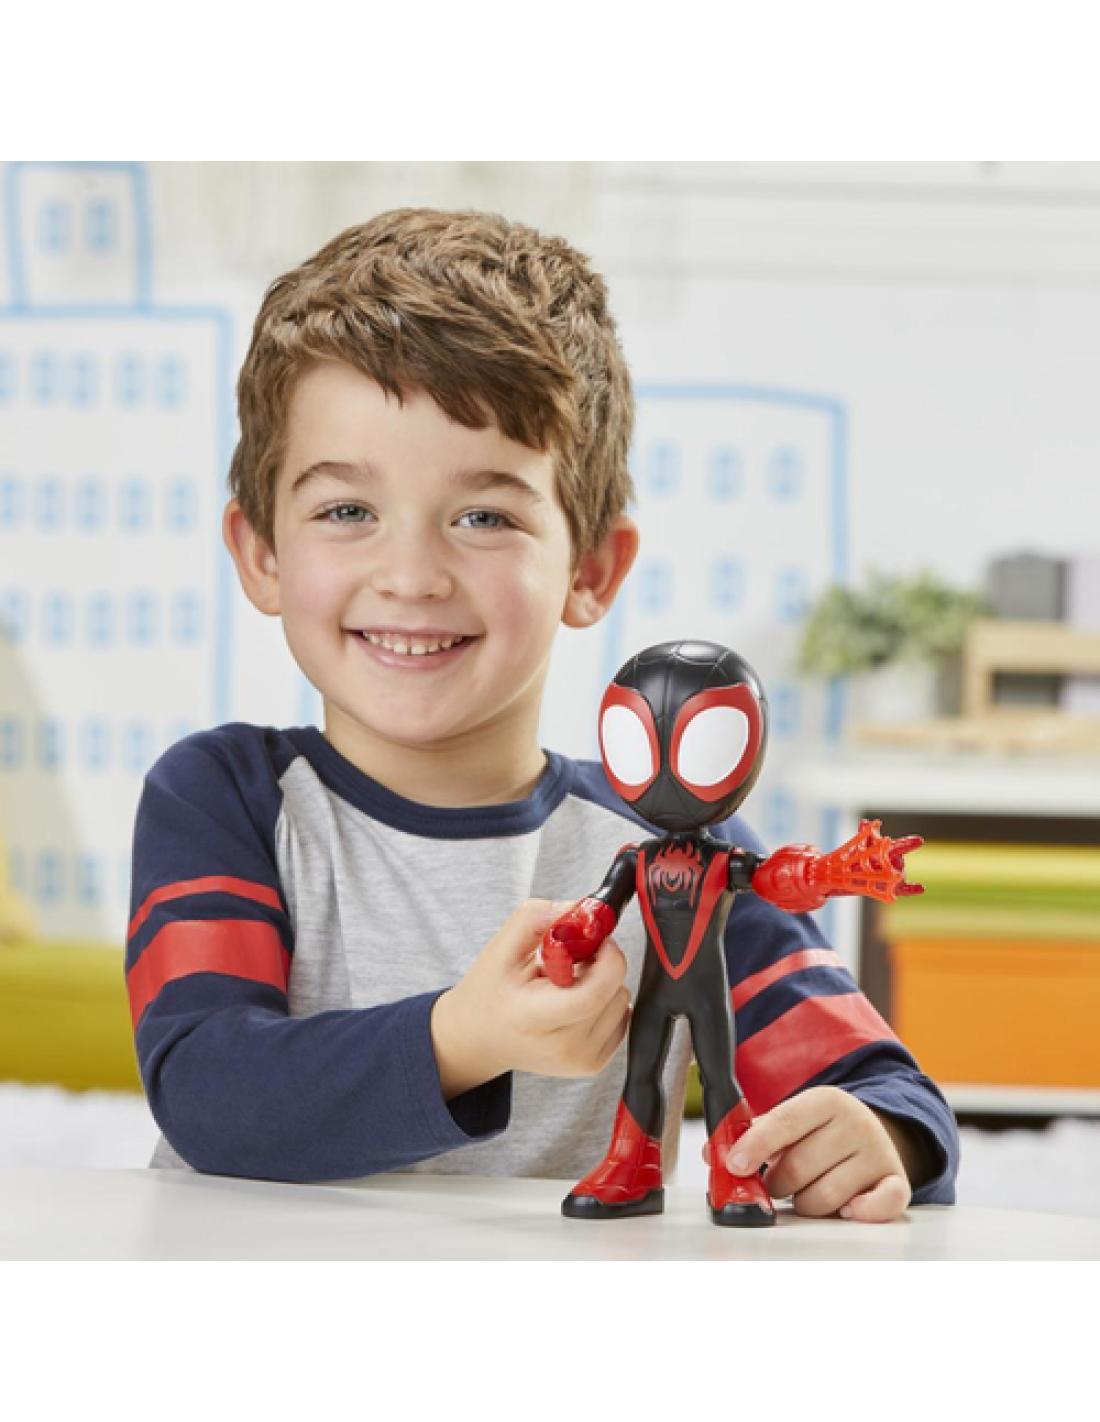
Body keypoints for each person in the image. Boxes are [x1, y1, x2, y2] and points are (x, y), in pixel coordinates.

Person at [125, 207, 959, 1222]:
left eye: (484, 516)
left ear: (591, 569)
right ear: (260, 553)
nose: (411, 574)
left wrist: (877, 1136)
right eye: (347, 511)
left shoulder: (674, 842)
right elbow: (209, 1092)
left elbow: (884, 1085)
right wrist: (461, 1038)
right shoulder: (222, 798)